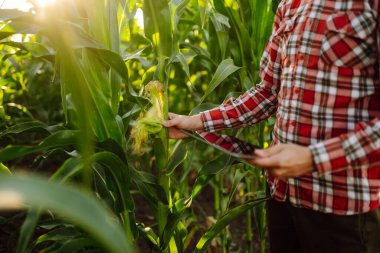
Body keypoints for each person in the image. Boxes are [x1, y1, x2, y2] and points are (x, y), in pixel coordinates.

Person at [162, 0, 380, 252]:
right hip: (281, 196)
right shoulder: (290, 5)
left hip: (341, 210)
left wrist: (314, 158)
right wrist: (196, 122)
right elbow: (267, 92)